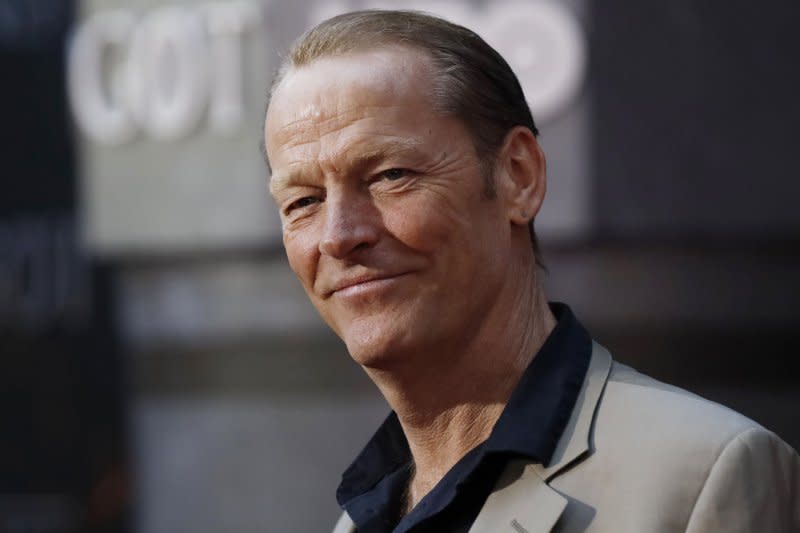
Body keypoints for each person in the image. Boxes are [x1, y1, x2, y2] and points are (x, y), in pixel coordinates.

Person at [262, 10, 800, 533]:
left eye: (389, 175)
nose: (337, 236)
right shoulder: (364, 516)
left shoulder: (705, 478)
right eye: (303, 202)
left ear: (518, 177)